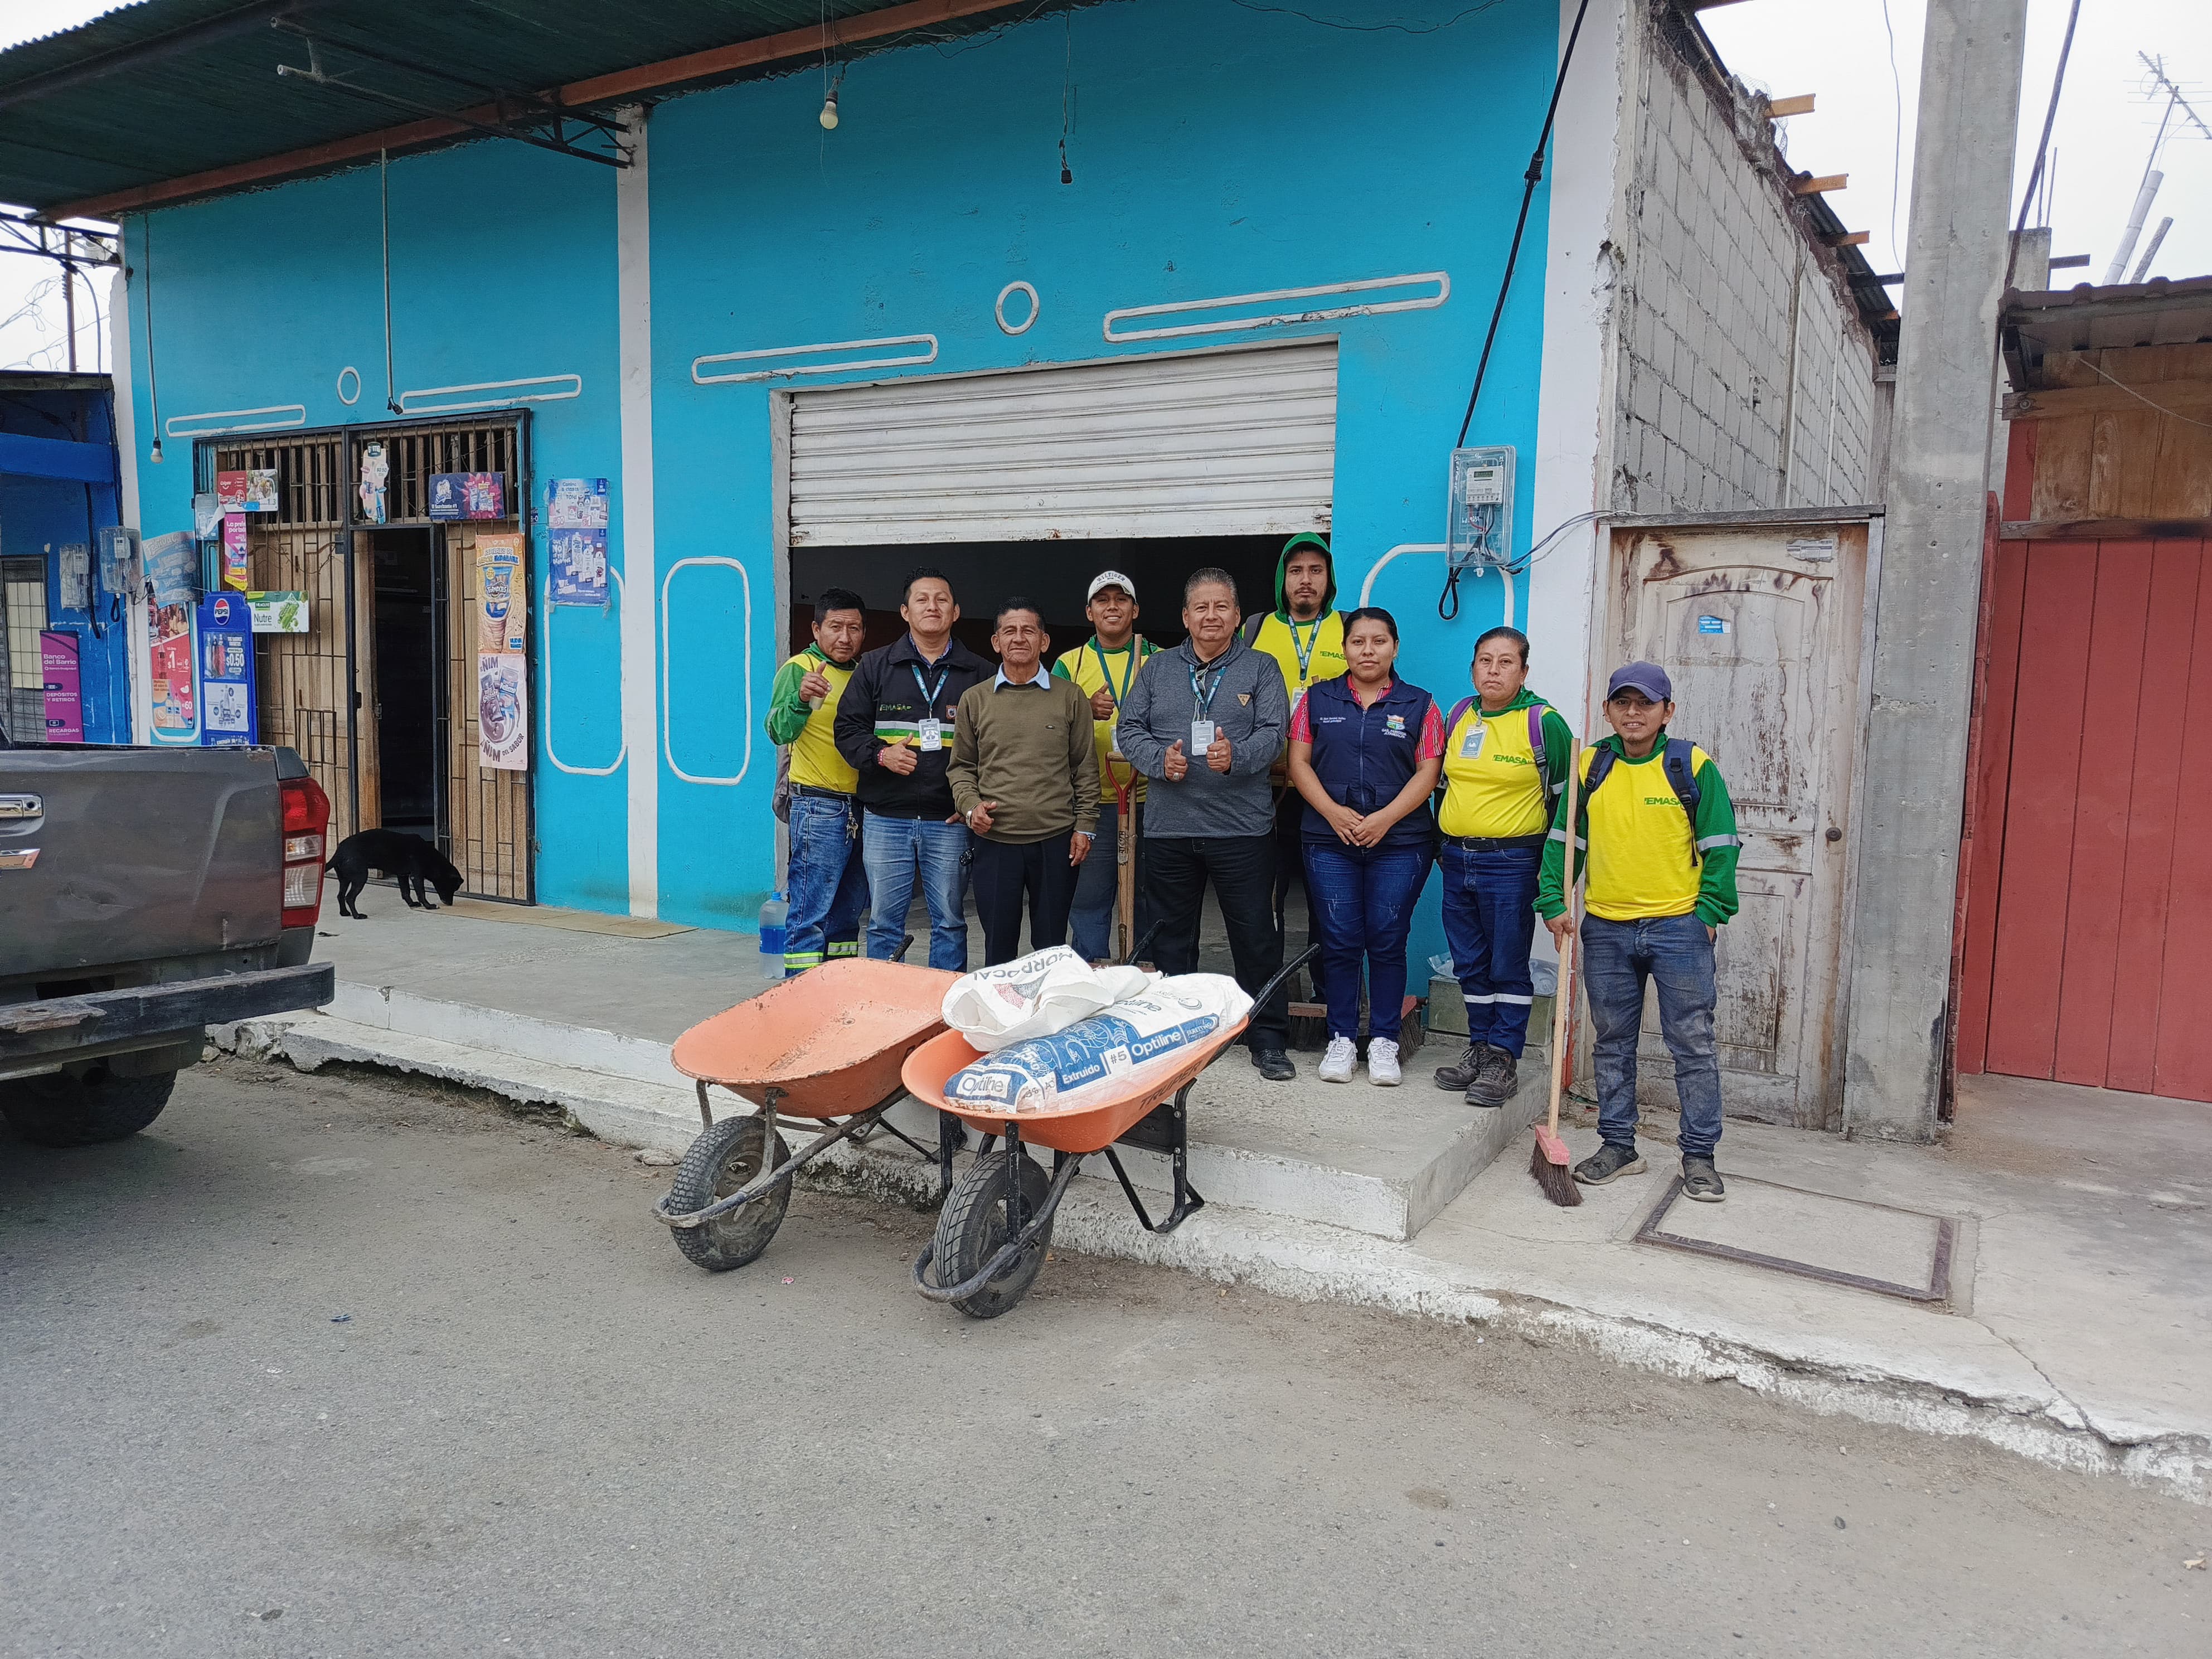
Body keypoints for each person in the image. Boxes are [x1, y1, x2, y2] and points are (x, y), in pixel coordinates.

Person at [1536, 662, 1741, 1202]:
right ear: (1607, 710)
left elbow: (1721, 844)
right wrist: (1554, 899)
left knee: (1692, 1044)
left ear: (1666, 711)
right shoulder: (1590, 766)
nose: (1633, 713)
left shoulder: (1690, 765)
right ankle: (1618, 1145)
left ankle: (1699, 1156)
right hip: (1606, 927)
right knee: (1611, 1044)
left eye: (1645, 703)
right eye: (1622, 703)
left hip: (1678, 928)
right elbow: (1564, 841)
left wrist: (1709, 913)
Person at [1116, 567, 1296, 1080]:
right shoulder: (1157, 669)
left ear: (1237, 616)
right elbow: (1130, 727)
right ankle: (1179, 1037)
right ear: (1185, 617)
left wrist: (1238, 756)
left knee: (1255, 937)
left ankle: (1267, 1039)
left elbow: (1274, 732)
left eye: (1221, 607)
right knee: (1171, 940)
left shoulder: (1261, 667)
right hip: (1170, 828)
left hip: (1242, 830)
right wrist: (1158, 760)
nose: (1211, 616)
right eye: (1201, 607)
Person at [1284, 607, 1443, 1086]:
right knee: (1340, 938)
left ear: (1395, 648)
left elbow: (1429, 772)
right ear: (1345, 649)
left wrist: (1385, 819)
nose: (1368, 651)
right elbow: (1298, 763)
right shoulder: (1316, 700)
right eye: (1358, 642)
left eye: (1379, 641)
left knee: (1388, 937)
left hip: (1401, 842)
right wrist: (1333, 813)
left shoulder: (1422, 705)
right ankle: (1341, 1038)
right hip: (1328, 839)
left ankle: (1384, 1041)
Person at [1429, 626, 1575, 1107]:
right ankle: (1479, 1047)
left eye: (1506, 662)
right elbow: (1443, 787)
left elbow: (1566, 808)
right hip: (1458, 858)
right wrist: (1442, 844)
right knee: (1469, 962)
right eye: (1485, 661)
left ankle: (1503, 1057)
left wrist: (1553, 878)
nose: (1494, 671)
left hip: (1512, 861)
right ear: (1473, 668)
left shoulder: (1543, 723)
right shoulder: (1459, 715)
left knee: (1507, 963)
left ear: (1524, 671)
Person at [834, 568, 991, 971]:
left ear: (956, 612)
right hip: (885, 818)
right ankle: (886, 1002)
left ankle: (944, 1005)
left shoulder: (981, 674)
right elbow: (847, 729)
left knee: (951, 923)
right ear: (905, 612)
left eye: (941, 599)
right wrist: (880, 755)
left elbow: (997, 749)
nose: (932, 607)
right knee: (884, 925)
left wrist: (971, 802)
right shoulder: (875, 666)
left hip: (949, 820)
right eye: (922, 599)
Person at [949, 598, 1099, 966]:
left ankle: (1048, 1004)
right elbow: (962, 767)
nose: (1019, 638)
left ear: (1044, 641)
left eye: (1028, 630)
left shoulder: (1071, 697)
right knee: (999, 947)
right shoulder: (975, 700)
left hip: (1056, 840)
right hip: (996, 841)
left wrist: (1085, 826)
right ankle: (1002, 1005)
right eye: (1010, 631)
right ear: (996, 642)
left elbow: (1084, 767)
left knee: (1051, 947)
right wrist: (970, 807)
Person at [1242, 533, 1347, 1000]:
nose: (1306, 580)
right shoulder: (1255, 629)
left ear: (1329, 579)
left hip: (1330, 789)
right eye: (1296, 571)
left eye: (1316, 571)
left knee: (1330, 898)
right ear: (1282, 579)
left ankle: (1330, 996)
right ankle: (1271, 998)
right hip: (1265, 787)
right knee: (1267, 897)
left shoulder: (1348, 628)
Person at [764, 588, 871, 976]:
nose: (845, 637)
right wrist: (799, 698)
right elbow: (777, 730)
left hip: (863, 807)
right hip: (818, 807)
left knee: (848, 915)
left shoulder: (865, 673)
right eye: (836, 627)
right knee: (810, 913)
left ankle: (837, 990)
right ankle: (800, 993)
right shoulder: (800, 668)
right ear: (816, 629)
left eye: (854, 628)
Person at [1052, 571, 1157, 963]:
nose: (1112, 607)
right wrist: (1083, 708)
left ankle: (1147, 974)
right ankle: (1092, 975)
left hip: (1150, 800)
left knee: (1149, 897)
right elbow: (1049, 725)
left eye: (1121, 599)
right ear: (1089, 612)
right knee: (1089, 901)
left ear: (1135, 609)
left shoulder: (1159, 659)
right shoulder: (1069, 664)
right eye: (1103, 600)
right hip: (1091, 805)